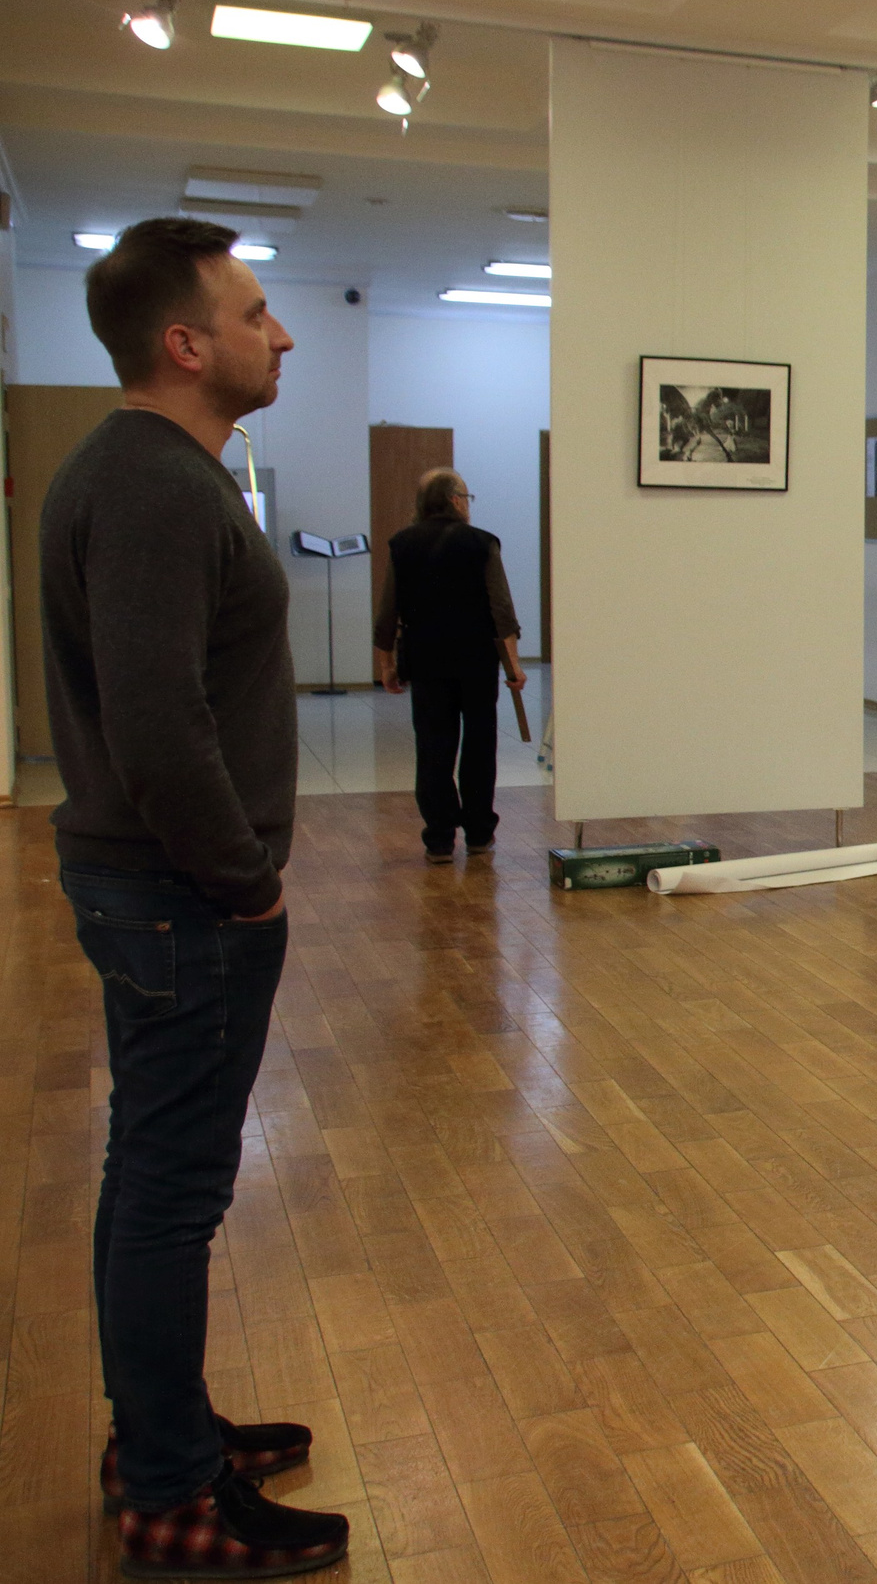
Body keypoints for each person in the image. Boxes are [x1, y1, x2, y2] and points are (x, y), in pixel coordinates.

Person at [42, 216, 350, 1577]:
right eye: (255, 311)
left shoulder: (139, 474)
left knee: (151, 1175)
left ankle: (162, 1429)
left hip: (151, 882)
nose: (279, 334)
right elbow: (160, 721)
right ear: (186, 342)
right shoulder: (160, 484)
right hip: (177, 891)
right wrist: (245, 881)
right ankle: (171, 1492)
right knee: (172, 1186)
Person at [372, 470, 527, 862]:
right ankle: (478, 833)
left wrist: (386, 664)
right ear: (456, 500)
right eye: (467, 496)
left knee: (433, 748)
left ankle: (439, 839)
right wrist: (513, 667)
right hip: (476, 661)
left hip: (426, 662)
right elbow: (501, 610)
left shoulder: (402, 544)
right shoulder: (482, 543)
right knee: (479, 746)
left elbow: (387, 612)